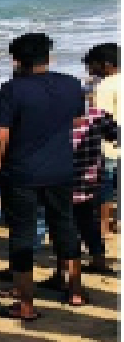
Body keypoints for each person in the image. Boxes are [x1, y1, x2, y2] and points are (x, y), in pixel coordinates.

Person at [0, 32, 87, 319]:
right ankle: (75, 291)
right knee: (65, 226)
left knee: (22, 233)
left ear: (16, 60)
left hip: (22, 171)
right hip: (61, 167)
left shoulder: (11, 90)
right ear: (49, 56)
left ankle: (26, 303)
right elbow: (77, 120)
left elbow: (0, 136)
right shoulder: (71, 84)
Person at [38, 100, 118, 289]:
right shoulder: (98, 115)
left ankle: (62, 273)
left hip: (59, 183)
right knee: (88, 221)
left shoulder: (52, 115)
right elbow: (115, 135)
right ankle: (98, 260)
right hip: (90, 183)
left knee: (61, 227)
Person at [83, 43, 119, 237]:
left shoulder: (103, 87)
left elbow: (98, 118)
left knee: (103, 189)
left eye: (91, 65)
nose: (89, 70)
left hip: (108, 146)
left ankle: (104, 226)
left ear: (105, 65)